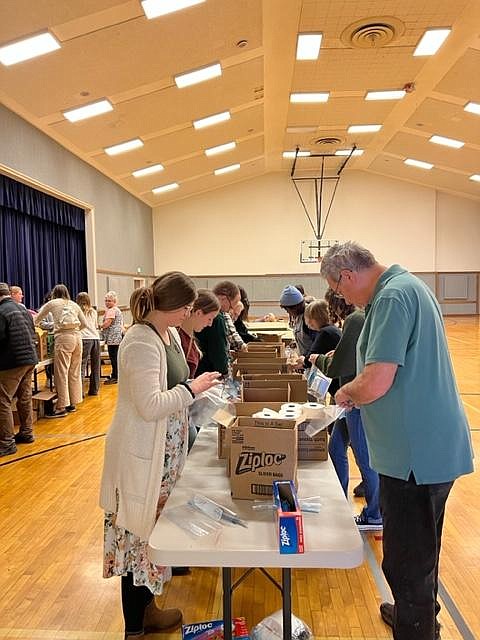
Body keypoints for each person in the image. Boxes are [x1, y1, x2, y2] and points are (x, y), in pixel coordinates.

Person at [320, 241, 474, 640]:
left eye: (339, 290)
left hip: (415, 457)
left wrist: (346, 392)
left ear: (348, 275)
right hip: (424, 449)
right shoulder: (405, 287)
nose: (342, 298)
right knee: (422, 554)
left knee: (407, 561)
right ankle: (418, 615)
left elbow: (376, 381)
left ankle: (417, 628)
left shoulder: (391, 298)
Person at [99, 272, 220, 639]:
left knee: (151, 540)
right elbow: (150, 405)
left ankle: (149, 610)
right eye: (185, 307)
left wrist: (196, 395)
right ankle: (135, 627)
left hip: (164, 455)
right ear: (168, 305)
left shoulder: (166, 335)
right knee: (136, 540)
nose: (188, 313)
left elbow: (172, 392)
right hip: (142, 456)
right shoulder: (139, 340)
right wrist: (191, 387)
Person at [310, 294, 381, 531]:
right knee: (336, 447)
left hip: (356, 401)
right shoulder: (359, 318)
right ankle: (339, 500)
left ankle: (374, 514)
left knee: (365, 459)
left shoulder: (355, 320)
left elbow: (338, 367)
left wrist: (318, 359)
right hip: (351, 401)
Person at [35, 284, 86, 417]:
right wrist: (73, 331)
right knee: (74, 372)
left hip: (63, 338)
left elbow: (37, 319)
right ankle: (73, 403)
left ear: (54, 293)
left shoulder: (52, 303)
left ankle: (61, 406)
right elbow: (84, 324)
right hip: (77, 338)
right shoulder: (74, 304)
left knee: (61, 372)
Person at [0, 283, 38, 455]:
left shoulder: (1, 311)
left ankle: (7, 443)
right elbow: (33, 331)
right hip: (30, 358)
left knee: (3, 400)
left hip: (12, 361)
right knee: (25, 397)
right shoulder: (22, 309)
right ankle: (26, 432)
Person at [178, 289, 221, 378]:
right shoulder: (178, 337)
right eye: (210, 318)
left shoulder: (190, 338)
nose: (210, 324)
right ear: (198, 313)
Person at [297, 299, 341, 369]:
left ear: (313, 319)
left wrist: (303, 360)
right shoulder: (332, 329)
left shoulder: (324, 332)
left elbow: (310, 359)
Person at [279, 285, 318, 356]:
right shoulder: (298, 316)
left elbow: (317, 345)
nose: (287, 312)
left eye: (287, 310)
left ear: (295, 308)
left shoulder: (309, 317)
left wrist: (306, 361)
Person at [76, 292, 101, 397]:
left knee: (81, 365)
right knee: (96, 365)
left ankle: (79, 393)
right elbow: (95, 325)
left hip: (84, 339)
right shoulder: (93, 312)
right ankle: (94, 390)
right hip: (95, 338)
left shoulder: (77, 311)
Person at [213, 281, 247, 353]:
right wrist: (241, 346)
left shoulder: (223, 313)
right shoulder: (218, 316)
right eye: (234, 303)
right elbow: (232, 334)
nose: (232, 308)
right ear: (223, 299)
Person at [102, 291, 124, 385]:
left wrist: (99, 326)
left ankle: (115, 376)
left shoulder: (112, 310)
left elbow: (107, 323)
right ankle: (116, 375)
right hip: (117, 337)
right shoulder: (117, 310)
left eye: (109, 301)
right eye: (106, 301)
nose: (107, 303)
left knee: (114, 357)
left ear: (114, 301)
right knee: (116, 357)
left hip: (113, 337)